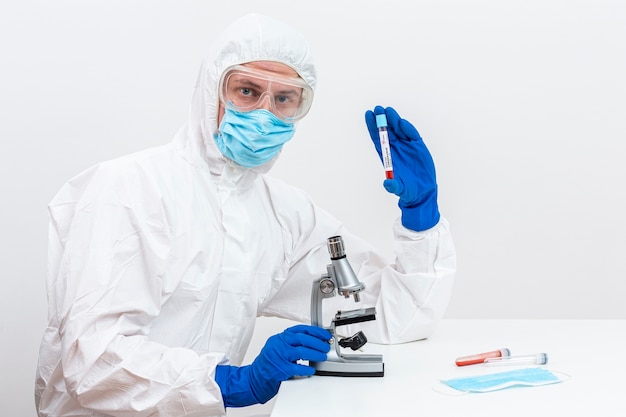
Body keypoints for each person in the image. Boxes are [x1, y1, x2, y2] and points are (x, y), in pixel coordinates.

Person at [35, 12, 456, 417]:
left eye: (284, 98)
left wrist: (420, 215)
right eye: (247, 91)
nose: (264, 113)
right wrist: (231, 382)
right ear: (211, 91)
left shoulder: (284, 215)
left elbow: (397, 314)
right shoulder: (128, 189)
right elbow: (92, 361)